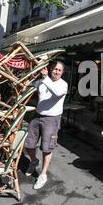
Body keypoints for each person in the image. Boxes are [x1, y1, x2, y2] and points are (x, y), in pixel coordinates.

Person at [24, 60, 67, 189]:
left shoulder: (63, 84)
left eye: (59, 70)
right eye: (55, 69)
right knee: (28, 144)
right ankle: (34, 160)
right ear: (50, 69)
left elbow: (56, 93)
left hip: (52, 119)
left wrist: (44, 77)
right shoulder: (42, 82)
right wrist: (26, 81)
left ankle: (43, 175)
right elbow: (29, 85)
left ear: (62, 72)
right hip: (37, 116)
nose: (57, 71)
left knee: (46, 148)